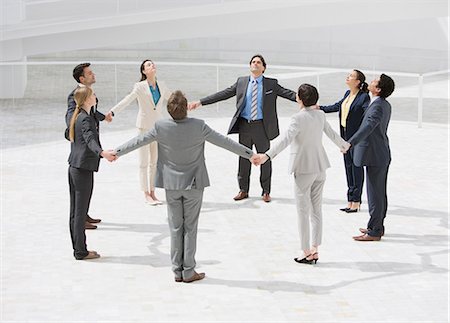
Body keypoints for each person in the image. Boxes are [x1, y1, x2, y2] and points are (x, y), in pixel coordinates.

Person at [114, 91, 255, 283]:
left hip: (171, 185)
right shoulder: (199, 126)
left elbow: (138, 141)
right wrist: (250, 154)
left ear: (169, 110)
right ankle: (188, 270)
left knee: (175, 227)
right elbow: (224, 142)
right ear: (186, 108)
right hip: (194, 184)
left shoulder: (160, 126)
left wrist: (116, 152)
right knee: (190, 227)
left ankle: (176, 270)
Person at [253, 84, 349, 264]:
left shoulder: (298, 118)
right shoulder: (320, 115)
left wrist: (267, 155)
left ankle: (305, 251)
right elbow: (331, 134)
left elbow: (286, 140)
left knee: (303, 212)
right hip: (320, 166)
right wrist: (344, 145)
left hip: (304, 168)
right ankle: (315, 248)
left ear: (300, 99)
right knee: (316, 210)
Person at [188, 54, 296, 203]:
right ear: (250, 66)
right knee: (244, 157)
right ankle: (243, 190)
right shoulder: (241, 82)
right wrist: (200, 102)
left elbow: (288, 94)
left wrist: (307, 100)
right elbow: (223, 94)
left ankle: (265, 191)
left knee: (265, 158)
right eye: (253, 62)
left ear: (264, 68)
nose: (255, 64)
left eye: (259, 62)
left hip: (262, 127)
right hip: (245, 125)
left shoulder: (271, 83)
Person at [107, 59, 172, 205]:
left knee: (154, 162)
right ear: (144, 71)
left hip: (158, 128)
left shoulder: (162, 85)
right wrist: (112, 111)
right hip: (143, 127)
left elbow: (173, 98)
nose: (152, 65)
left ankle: (153, 192)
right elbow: (127, 100)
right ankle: (146, 193)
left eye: (153, 63)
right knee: (144, 162)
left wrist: (189, 104)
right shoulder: (139, 86)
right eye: (148, 65)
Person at [67, 86, 116, 260]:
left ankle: (79, 249)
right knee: (79, 212)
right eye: (93, 95)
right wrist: (103, 153)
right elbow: (89, 140)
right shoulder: (85, 119)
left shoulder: (79, 116)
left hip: (74, 166)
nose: (96, 96)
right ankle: (81, 251)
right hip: (82, 169)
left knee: (75, 212)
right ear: (87, 99)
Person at [65, 62, 112, 229]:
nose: (93, 75)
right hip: (84, 147)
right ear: (82, 78)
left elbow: (90, 112)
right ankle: (81, 220)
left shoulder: (89, 94)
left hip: (90, 147)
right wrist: (74, 129)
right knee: (82, 188)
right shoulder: (75, 95)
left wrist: (103, 117)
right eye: (90, 73)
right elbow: (72, 116)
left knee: (86, 186)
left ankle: (84, 215)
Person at [348, 74, 395, 241]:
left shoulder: (377, 106)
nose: (372, 80)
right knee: (378, 193)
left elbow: (368, 127)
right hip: (379, 153)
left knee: (375, 194)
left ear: (378, 89)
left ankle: (374, 231)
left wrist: (351, 142)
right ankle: (376, 226)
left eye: (375, 81)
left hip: (375, 155)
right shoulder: (382, 103)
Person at [320, 69, 370, 213]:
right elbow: (337, 106)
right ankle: (350, 200)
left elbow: (367, 115)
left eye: (351, 76)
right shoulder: (348, 94)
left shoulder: (364, 97)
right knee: (348, 167)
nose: (347, 77)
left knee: (356, 168)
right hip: (344, 137)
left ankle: (356, 201)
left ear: (358, 81)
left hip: (356, 139)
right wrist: (320, 108)